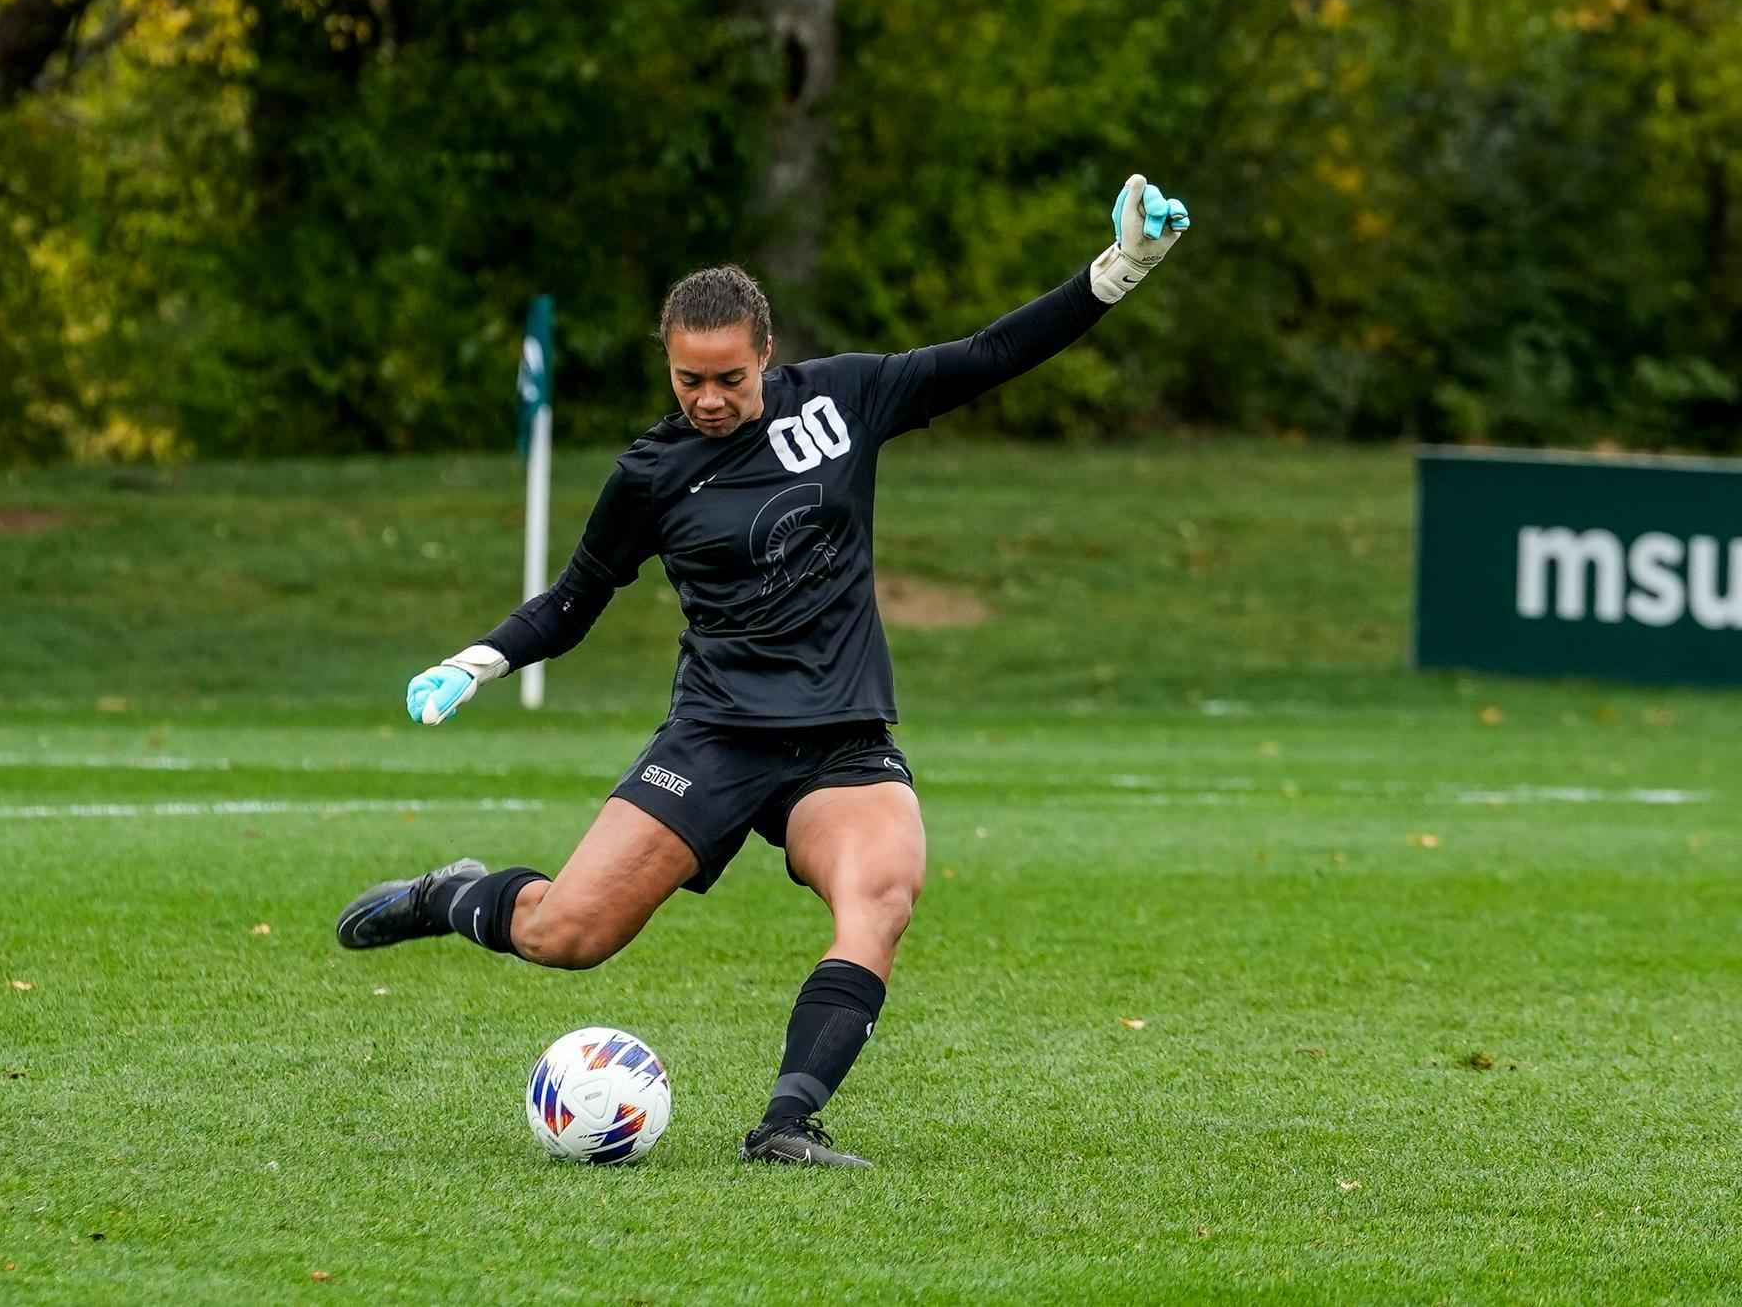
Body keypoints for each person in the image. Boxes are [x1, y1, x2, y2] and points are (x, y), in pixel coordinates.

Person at [337, 174, 1191, 1168]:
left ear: (764, 357)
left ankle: (787, 1122)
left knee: (882, 892)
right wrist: (475, 662)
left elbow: (988, 356)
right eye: (686, 380)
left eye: (726, 380)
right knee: (569, 933)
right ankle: (452, 894)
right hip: (716, 737)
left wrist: (1118, 269)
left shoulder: (845, 399)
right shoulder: (649, 475)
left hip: (839, 741)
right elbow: (574, 600)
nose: (706, 399)